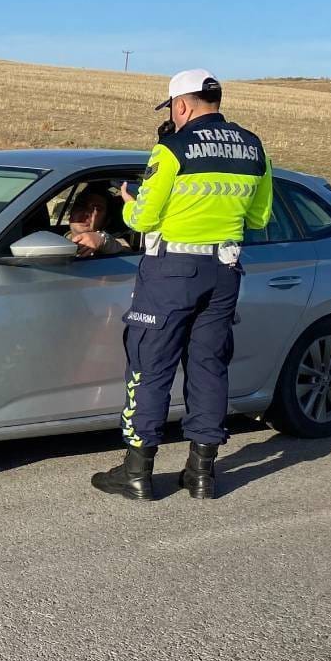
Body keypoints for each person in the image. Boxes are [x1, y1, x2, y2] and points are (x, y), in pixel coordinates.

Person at [91, 68, 272, 501]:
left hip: (172, 270)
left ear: (182, 105)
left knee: (150, 365)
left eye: (173, 107)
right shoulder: (253, 148)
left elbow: (144, 220)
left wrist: (131, 203)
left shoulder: (172, 149)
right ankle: (202, 473)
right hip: (225, 270)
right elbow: (260, 218)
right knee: (209, 367)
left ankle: (137, 471)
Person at [66, 183, 128, 257]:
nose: (86, 213)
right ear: (71, 213)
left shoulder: (110, 243)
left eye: (97, 209)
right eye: (81, 205)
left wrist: (102, 240)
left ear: (106, 221)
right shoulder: (54, 241)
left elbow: (126, 251)